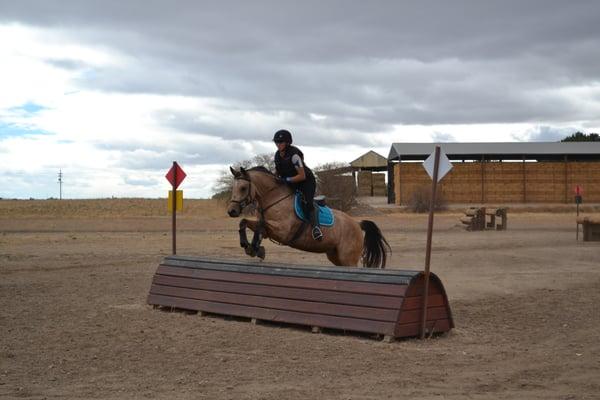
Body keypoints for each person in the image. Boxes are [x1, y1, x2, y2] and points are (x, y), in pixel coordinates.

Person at [273, 129, 323, 241]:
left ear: (287, 142)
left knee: (307, 202)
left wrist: (286, 180)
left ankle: (316, 228)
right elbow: (277, 171)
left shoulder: (294, 155)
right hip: (291, 182)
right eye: (276, 142)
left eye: (281, 142)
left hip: (306, 182)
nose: (278, 145)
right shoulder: (277, 155)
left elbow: (302, 176)